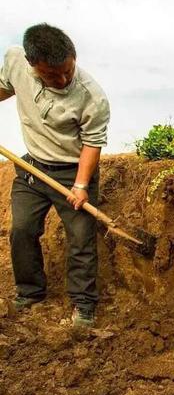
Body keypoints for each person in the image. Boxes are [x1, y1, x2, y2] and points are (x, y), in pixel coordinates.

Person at [0, 23, 110, 327]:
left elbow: (92, 143)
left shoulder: (92, 97)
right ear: (33, 65)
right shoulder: (14, 62)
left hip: (72, 171)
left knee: (80, 238)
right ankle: (30, 292)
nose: (62, 80)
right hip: (32, 168)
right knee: (21, 230)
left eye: (68, 71)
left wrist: (81, 184)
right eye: (52, 75)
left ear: (73, 57)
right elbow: (6, 87)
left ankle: (84, 305)